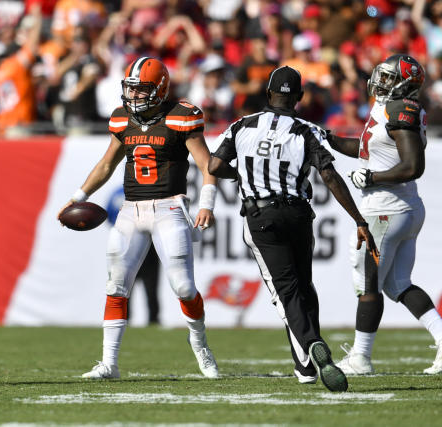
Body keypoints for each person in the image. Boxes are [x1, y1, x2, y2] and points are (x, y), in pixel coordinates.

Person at [208, 66, 377, 392]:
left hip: (261, 217)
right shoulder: (305, 129)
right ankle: (304, 367)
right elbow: (330, 175)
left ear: (268, 94)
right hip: (299, 214)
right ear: (298, 98)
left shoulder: (241, 125)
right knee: (303, 285)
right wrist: (358, 218)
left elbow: (214, 165)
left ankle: (312, 344)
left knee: (286, 293)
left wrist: (244, 174)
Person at [58, 57, 219, 379]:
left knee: (184, 287)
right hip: (131, 210)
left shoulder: (181, 116)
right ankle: (109, 363)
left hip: (170, 208)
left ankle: (201, 346)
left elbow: (207, 164)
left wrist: (207, 204)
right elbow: (106, 165)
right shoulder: (122, 120)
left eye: (141, 90)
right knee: (116, 286)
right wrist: (77, 198)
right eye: (130, 90)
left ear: (159, 89)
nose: (134, 97)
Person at [325, 54, 442, 375]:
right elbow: (367, 149)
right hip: (399, 209)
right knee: (398, 284)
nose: (382, 81)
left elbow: (412, 166)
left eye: (390, 78)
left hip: (386, 210)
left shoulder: (400, 108)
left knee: (368, 284)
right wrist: (330, 139)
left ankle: (361, 357)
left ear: (405, 83)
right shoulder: (386, 108)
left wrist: (372, 178)